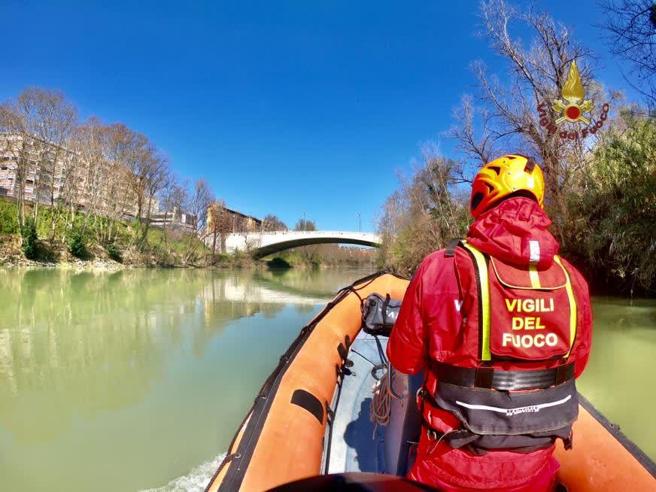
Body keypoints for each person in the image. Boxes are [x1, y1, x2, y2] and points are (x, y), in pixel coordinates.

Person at [387, 154, 592, 492]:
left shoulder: (440, 268)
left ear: (482, 200)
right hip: (534, 471)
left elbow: (404, 360)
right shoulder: (574, 281)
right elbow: (576, 366)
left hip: (447, 469)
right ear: (538, 201)